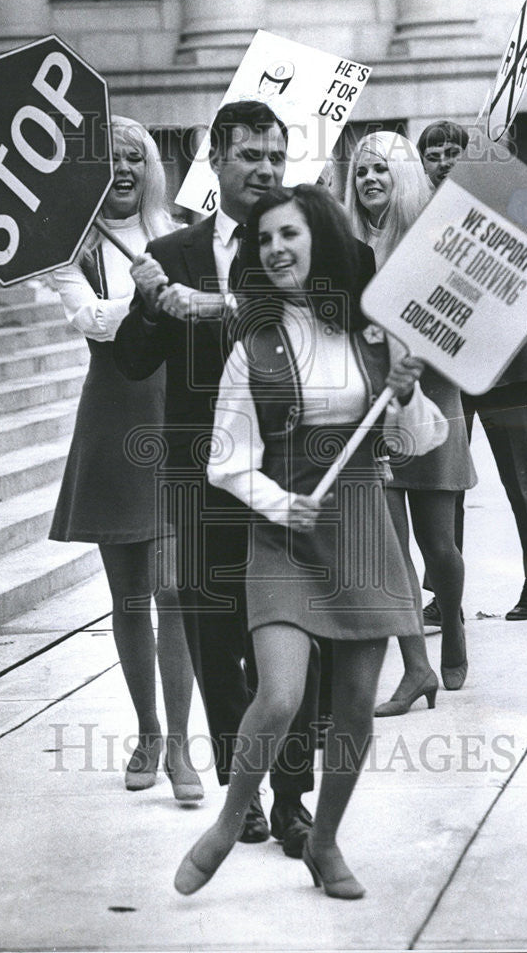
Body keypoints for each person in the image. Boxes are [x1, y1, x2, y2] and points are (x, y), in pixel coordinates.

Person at [173, 184, 447, 899]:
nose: (276, 250)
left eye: (288, 234)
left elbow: (414, 444)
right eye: (264, 241)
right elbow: (224, 461)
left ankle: (325, 843)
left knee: (355, 708)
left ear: (317, 238)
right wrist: (278, 501)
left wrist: (409, 393)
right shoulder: (251, 347)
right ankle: (231, 821)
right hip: (283, 533)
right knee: (280, 693)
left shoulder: (371, 332)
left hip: (359, 528)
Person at [113, 101, 318, 856]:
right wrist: (148, 306)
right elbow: (136, 360)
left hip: (289, 471)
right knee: (213, 630)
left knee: (294, 637)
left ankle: (295, 798)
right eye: (250, 157)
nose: (265, 170)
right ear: (216, 160)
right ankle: (246, 789)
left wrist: (216, 306)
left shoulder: (301, 242)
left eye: (275, 156)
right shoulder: (172, 250)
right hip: (199, 475)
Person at [49, 115, 202, 801]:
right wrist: (141, 296)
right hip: (112, 418)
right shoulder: (70, 248)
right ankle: (145, 731)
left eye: (134, 156)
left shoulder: (178, 232)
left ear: (150, 166)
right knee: (129, 593)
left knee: (174, 589)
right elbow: (88, 320)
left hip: (174, 419)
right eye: (108, 158)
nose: (122, 168)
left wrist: (175, 288)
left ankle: (180, 743)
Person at [345, 129, 474, 695]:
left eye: (381, 170)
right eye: (361, 172)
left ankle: (455, 625)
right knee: (393, 545)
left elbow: (462, 322)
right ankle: (416, 667)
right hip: (371, 406)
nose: (369, 179)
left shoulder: (435, 236)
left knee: (438, 545)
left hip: (431, 397)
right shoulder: (345, 243)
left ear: (404, 177)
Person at [416, 120, 527, 623]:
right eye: (434, 153)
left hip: (503, 365)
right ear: (422, 162)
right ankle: (444, 594)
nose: (444, 160)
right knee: (447, 482)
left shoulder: (497, 203)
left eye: (454, 151)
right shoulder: (414, 216)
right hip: (447, 370)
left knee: (519, 478)